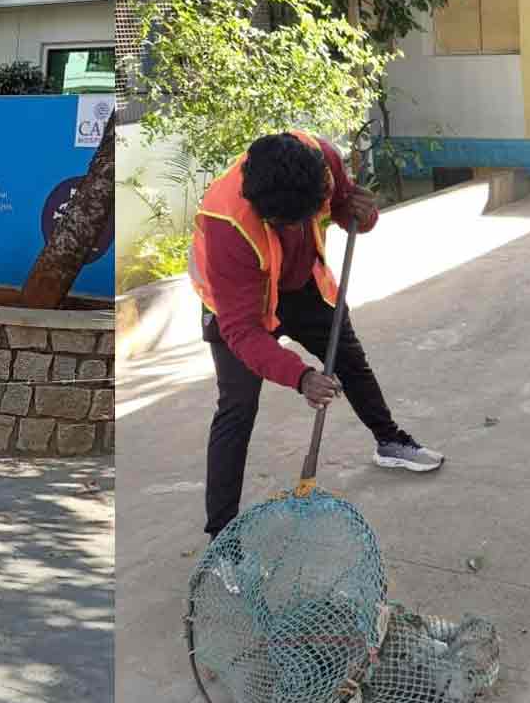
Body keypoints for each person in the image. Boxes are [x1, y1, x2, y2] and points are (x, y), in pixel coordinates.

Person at [189, 131, 444, 541]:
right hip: (236, 303)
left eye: (300, 219)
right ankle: (221, 534)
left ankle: (389, 441)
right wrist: (301, 376)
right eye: (283, 223)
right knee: (237, 407)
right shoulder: (227, 222)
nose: (293, 228)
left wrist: (363, 213)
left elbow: (347, 209)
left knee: (350, 359)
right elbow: (242, 331)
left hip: (300, 286)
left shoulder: (322, 159)